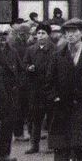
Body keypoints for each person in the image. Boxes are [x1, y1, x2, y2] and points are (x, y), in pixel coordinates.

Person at [47, 18, 82, 161]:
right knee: (61, 152)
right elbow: (48, 83)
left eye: (74, 31)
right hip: (62, 110)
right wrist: (55, 97)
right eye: (67, 32)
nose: (70, 35)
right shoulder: (57, 56)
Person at [0, 24, 23, 161]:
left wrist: (18, 85)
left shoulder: (13, 51)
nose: (1, 38)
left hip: (11, 95)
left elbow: (20, 69)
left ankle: (5, 155)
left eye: (5, 35)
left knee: (7, 127)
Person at [25, 22, 54, 154]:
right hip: (35, 89)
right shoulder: (31, 49)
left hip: (50, 89)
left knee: (52, 118)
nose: (40, 36)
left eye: (43, 33)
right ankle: (34, 145)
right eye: (39, 33)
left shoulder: (55, 50)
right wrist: (28, 67)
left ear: (48, 35)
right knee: (36, 119)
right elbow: (25, 63)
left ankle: (52, 145)